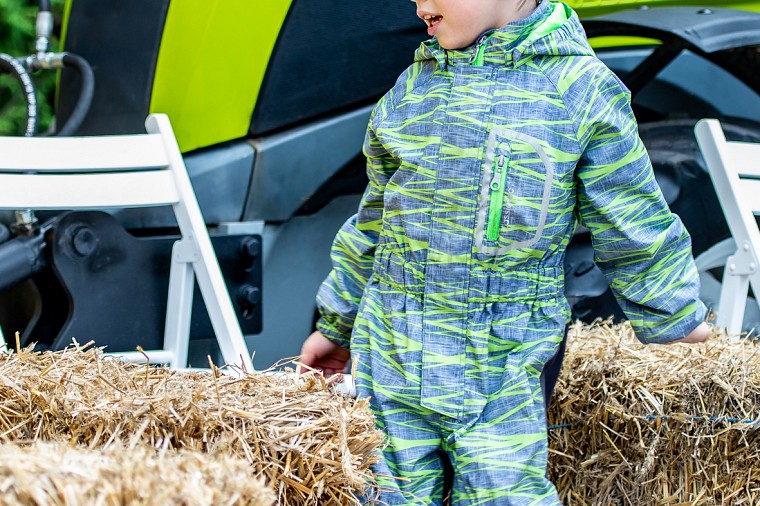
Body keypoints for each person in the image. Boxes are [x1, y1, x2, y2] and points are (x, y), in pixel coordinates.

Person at [300, 0, 711, 504]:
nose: (419, 4)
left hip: (504, 354)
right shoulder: (412, 89)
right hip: (391, 344)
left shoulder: (578, 88)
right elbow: (374, 221)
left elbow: (628, 210)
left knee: (505, 492)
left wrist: (671, 310)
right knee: (387, 493)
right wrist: (337, 323)